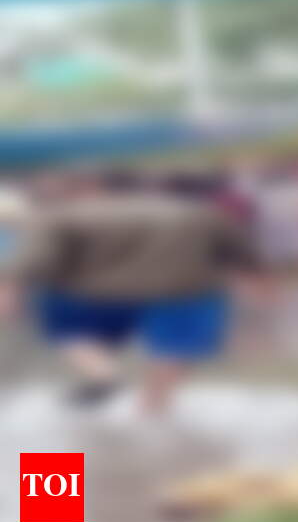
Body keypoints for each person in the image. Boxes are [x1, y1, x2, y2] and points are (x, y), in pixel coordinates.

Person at [24, 171, 258, 415]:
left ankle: (102, 373)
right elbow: (237, 248)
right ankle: (152, 408)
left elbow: (38, 258)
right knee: (174, 348)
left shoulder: (68, 215)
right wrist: (255, 277)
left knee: (71, 329)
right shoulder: (194, 214)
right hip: (178, 288)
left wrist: (13, 286)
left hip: (93, 292)